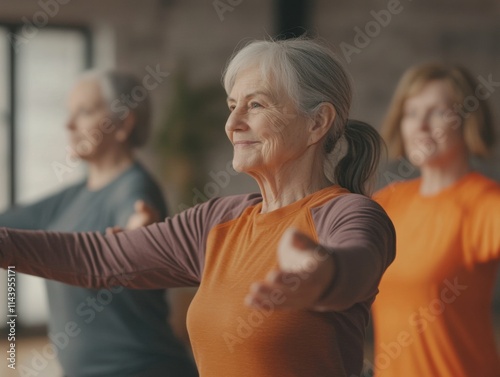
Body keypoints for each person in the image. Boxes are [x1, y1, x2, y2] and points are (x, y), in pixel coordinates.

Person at [0, 38, 396, 377]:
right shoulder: (218, 220)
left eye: (255, 105)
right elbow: (100, 257)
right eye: (231, 105)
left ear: (317, 123)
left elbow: (357, 263)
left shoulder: (348, 213)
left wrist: (323, 274)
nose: (233, 123)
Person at [0, 71, 198, 377]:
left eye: (85, 112)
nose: (69, 125)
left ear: (124, 123)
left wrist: (137, 234)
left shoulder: (135, 189)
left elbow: (133, 230)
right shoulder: (74, 196)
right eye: (70, 112)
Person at [372, 63, 500, 377]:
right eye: (411, 113)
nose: (421, 126)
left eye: (438, 112)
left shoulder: (484, 203)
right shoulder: (386, 203)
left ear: (467, 121)